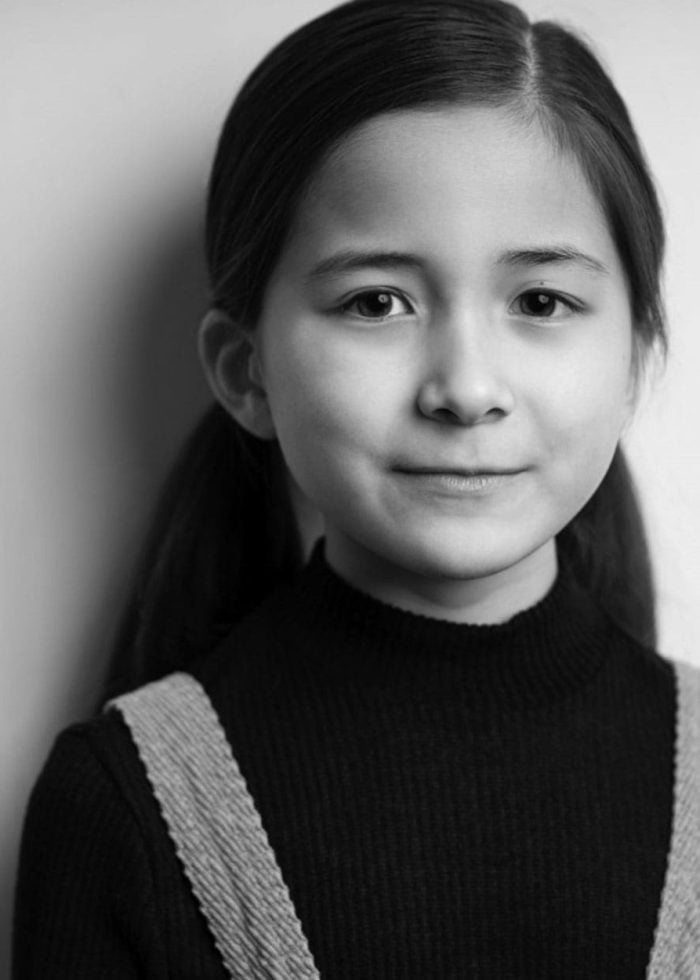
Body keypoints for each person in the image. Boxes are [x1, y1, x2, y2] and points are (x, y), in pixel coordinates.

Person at [12, 0, 700, 976]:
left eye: (541, 301)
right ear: (246, 371)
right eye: (376, 301)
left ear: (634, 360)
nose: (465, 388)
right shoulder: (123, 802)